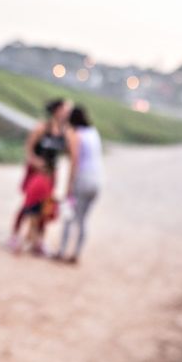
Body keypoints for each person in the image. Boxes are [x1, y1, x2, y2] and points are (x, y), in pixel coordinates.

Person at [8, 98, 76, 255]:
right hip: (36, 173)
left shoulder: (66, 132)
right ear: (57, 111)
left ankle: (37, 240)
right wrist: (35, 161)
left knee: (46, 207)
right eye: (65, 110)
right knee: (29, 205)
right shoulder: (42, 128)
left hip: (51, 174)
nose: (67, 113)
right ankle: (15, 236)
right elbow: (28, 149)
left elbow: (71, 154)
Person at [54, 105, 103, 265]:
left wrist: (68, 185)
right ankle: (76, 253)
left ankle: (62, 251)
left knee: (69, 217)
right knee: (83, 220)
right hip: (97, 179)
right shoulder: (93, 132)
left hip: (82, 178)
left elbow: (74, 161)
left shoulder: (76, 135)